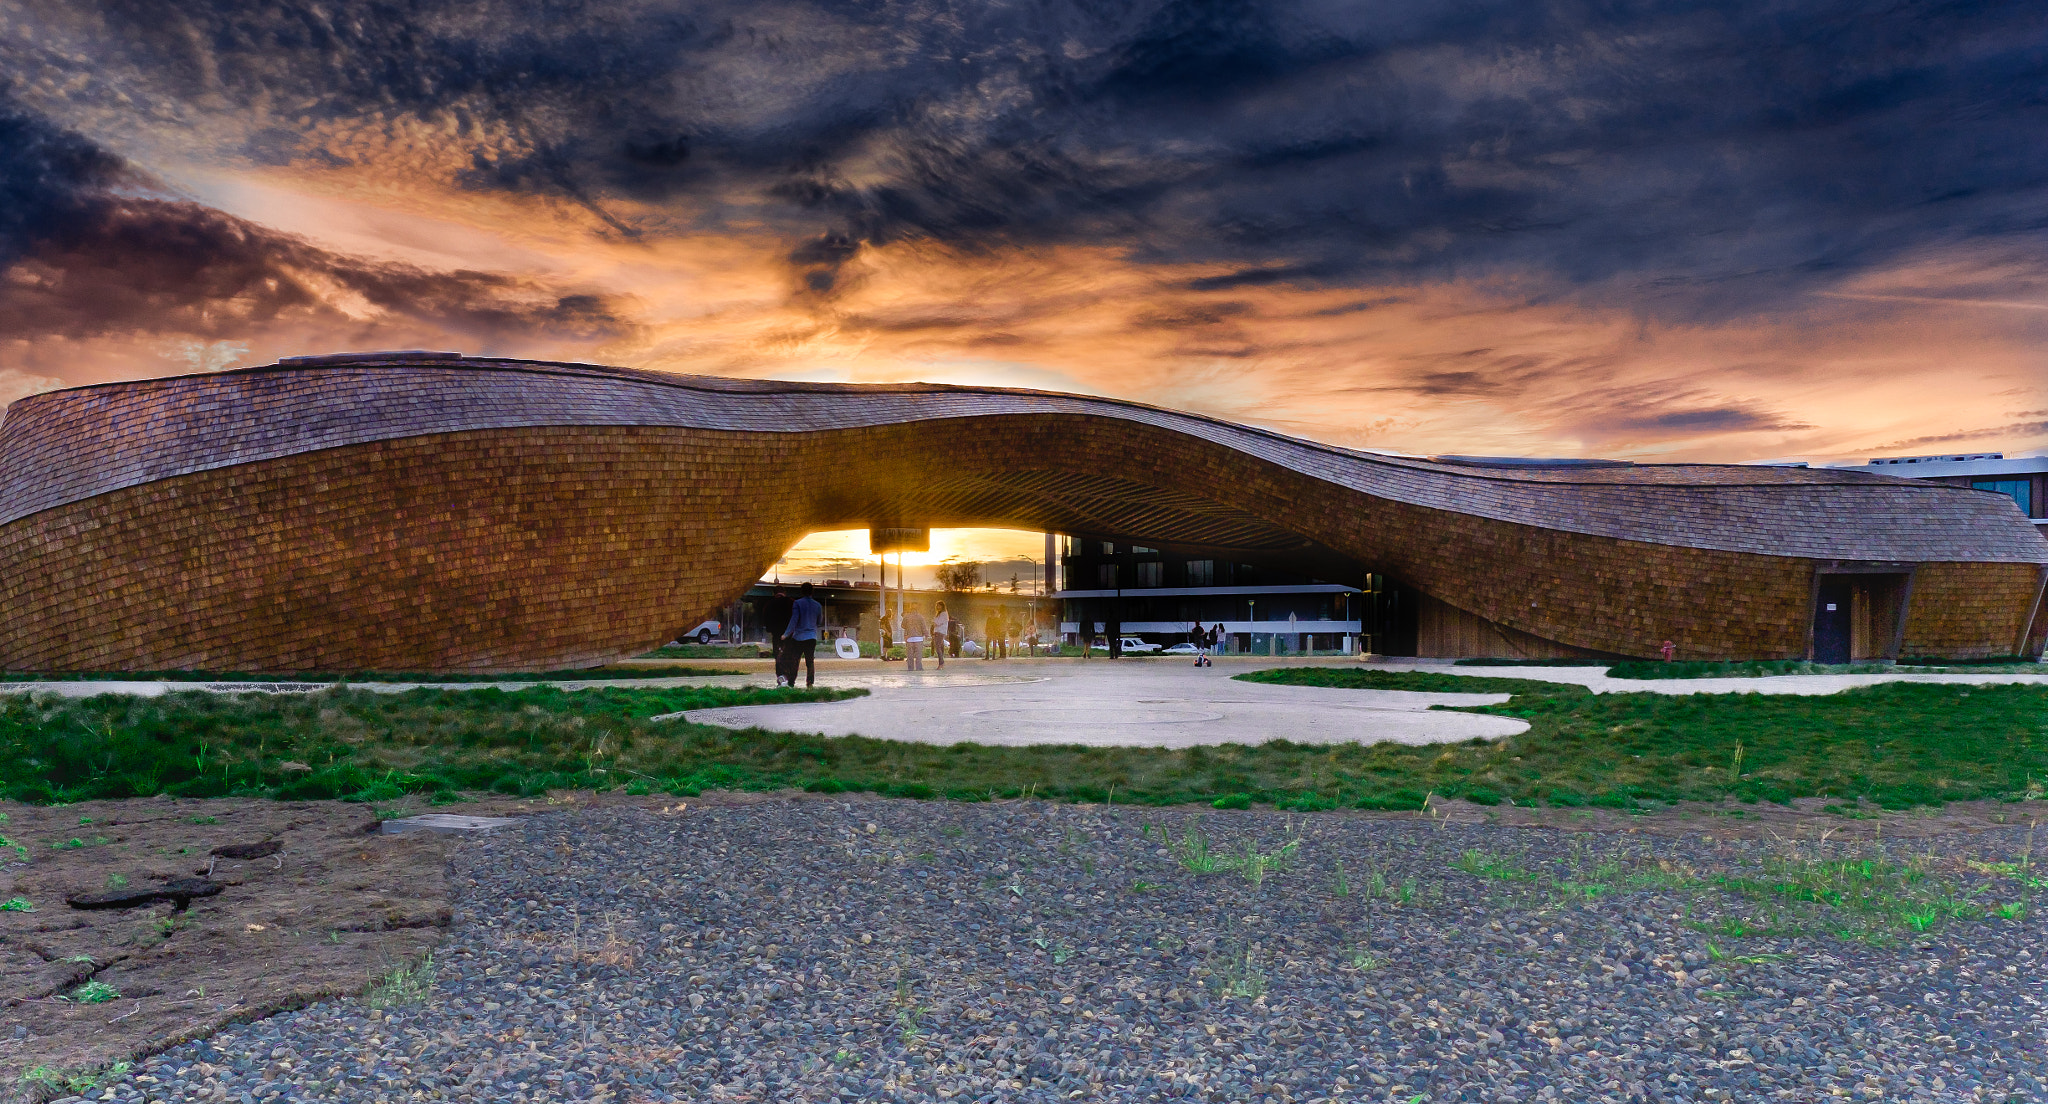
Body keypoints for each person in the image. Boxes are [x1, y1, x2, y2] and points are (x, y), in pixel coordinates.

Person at [784, 582, 824, 688]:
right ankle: (810, 683)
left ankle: (791, 682)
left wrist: (786, 634)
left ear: (801, 591)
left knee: (795, 660)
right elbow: (819, 621)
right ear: (812, 592)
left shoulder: (797, 603)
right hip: (811, 637)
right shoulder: (818, 605)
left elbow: (794, 620)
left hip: (798, 637)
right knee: (810, 662)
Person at [764, 586, 793, 687]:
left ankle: (780, 676)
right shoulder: (791, 602)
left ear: (774, 593)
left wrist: (770, 629)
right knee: (789, 655)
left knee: (778, 656)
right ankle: (788, 677)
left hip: (776, 634)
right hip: (789, 634)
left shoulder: (769, 604)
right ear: (784, 592)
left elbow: (765, 618)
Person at [904, 603, 929, 671]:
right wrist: (926, 634)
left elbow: (902, 626)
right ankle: (919, 668)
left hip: (909, 638)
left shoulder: (907, 617)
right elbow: (923, 627)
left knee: (910, 655)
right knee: (918, 655)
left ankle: (910, 668)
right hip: (919, 638)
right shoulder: (921, 617)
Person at [931, 600, 950, 669]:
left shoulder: (943, 614)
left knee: (938, 647)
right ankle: (942, 663)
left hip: (940, 632)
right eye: (937, 606)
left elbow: (937, 623)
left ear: (942, 606)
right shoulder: (939, 614)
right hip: (938, 631)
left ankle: (941, 663)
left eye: (939, 606)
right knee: (940, 648)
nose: (938, 607)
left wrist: (934, 621)